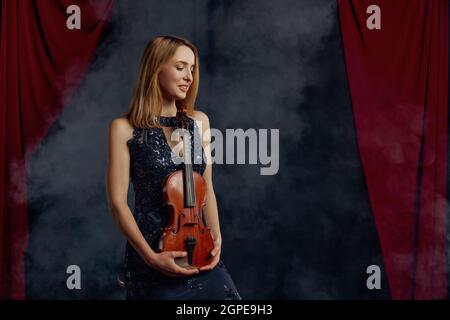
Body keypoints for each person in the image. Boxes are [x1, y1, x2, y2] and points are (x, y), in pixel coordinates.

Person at [106, 35, 241, 300]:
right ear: (156, 69)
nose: (189, 76)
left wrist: (216, 238)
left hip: (197, 247)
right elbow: (117, 203)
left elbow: (207, 189)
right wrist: (151, 258)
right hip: (151, 251)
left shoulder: (199, 121)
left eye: (192, 69)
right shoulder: (124, 128)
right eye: (180, 67)